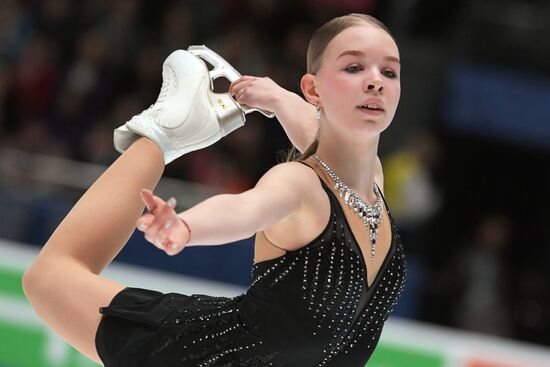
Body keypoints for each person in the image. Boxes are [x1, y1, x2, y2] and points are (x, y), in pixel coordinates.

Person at [22, 13, 406, 367]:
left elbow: (327, 137)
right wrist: (187, 228)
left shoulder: (370, 178)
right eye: (354, 67)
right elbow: (247, 208)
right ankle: (165, 130)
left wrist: (275, 98)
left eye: (389, 72)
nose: (375, 80)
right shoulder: (300, 185)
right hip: (202, 356)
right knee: (49, 278)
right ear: (313, 88)